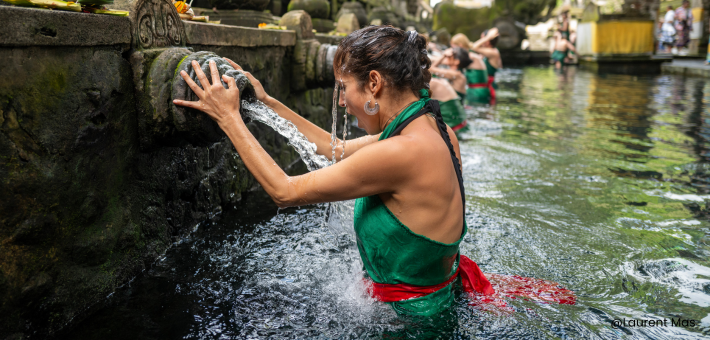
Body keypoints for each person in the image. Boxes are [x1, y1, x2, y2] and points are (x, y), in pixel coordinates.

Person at [173, 26, 495, 316]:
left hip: (408, 322)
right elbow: (334, 149)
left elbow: (284, 191)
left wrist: (228, 118)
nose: (342, 102)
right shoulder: (434, 130)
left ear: (374, 83)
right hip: (437, 299)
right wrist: (267, 102)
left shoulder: (400, 152)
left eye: (343, 88)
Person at [450, 33, 492, 105]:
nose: (452, 51)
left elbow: (450, 62)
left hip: (477, 92)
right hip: (480, 91)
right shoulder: (471, 55)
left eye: (454, 48)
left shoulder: (470, 56)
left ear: (460, 45)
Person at [471, 28, 502, 103]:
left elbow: (474, 47)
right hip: (484, 86)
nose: (481, 41)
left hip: (489, 87)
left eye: (483, 38)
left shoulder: (493, 52)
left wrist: (488, 37)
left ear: (488, 41)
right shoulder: (488, 52)